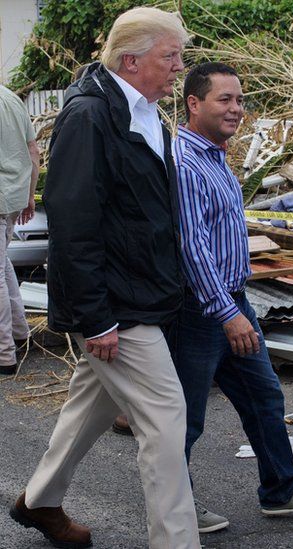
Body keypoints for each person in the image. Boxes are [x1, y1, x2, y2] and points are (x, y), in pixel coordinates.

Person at [8, 7, 200, 548]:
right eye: (171, 56)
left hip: (136, 295)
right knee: (165, 418)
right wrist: (96, 318)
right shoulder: (90, 116)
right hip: (115, 304)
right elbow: (74, 223)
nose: (179, 68)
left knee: (91, 404)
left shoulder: (142, 112)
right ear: (131, 59)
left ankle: (39, 502)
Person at [172, 62, 293, 533]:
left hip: (231, 300)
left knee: (264, 397)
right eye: (225, 99)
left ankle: (281, 491)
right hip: (202, 309)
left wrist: (235, 305)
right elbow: (191, 246)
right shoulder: (184, 162)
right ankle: (175, 505)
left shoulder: (215, 156)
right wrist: (227, 313)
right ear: (194, 103)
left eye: (240, 100)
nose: (237, 109)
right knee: (185, 417)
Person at [0, 84, 38, 375]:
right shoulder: (10, 97)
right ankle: (19, 332)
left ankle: (4, 354)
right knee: (3, 265)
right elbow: (32, 150)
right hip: (13, 195)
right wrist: (29, 194)